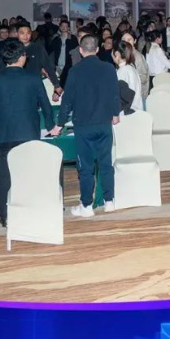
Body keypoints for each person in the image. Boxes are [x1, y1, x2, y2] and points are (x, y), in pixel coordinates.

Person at [0, 40, 56, 227]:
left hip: (4, 134)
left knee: (5, 175)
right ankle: (30, 210)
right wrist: (51, 125)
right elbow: (46, 106)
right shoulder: (33, 78)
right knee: (29, 172)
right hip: (28, 133)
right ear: (22, 57)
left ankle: (5, 215)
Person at [50, 35, 121, 217]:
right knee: (106, 164)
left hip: (83, 126)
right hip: (104, 123)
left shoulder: (75, 71)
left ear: (81, 51)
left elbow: (67, 101)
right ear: (97, 49)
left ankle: (87, 206)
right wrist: (115, 114)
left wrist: (59, 124)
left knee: (86, 167)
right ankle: (109, 201)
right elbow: (114, 93)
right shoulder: (109, 68)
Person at [113, 41, 144, 112]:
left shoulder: (122, 71)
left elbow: (121, 97)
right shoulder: (131, 68)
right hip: (137, 109)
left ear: (117, 54)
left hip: (128, 112)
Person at [120, 32, 150, 102]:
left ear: (135, 41)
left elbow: (143, 78)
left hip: (138, 96)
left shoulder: (138, 57)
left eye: (129, 40)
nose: (126, 42)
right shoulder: (122, 54)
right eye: (123, 39)